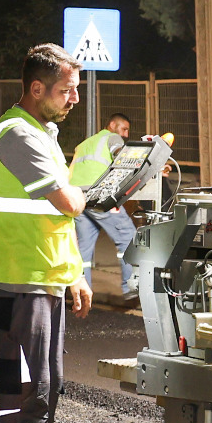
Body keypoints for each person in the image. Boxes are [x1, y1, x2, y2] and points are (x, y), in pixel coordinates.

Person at [0, 44, 93, 423]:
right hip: (25, 282)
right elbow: (68, 204)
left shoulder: (37, 131)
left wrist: (75, 274)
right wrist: (99, 185)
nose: (73, 99)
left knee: (15, 386)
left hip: (26, 275)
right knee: (39, 389)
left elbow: (49, 218)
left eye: (76, 90)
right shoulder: (18, 134)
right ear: (37, 88)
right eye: (66, 90)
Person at [67, 110, 138, 300]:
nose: (125, 134)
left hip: (77, 197)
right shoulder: (113, 137)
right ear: (113, 125)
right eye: (124, 129)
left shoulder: (84, 144)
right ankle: (130, 287)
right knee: (128, 236)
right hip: (98, 195)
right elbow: (121, 156)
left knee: (83, 248)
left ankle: (82, 291)